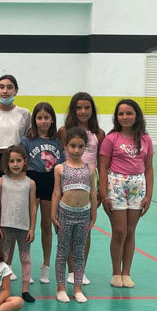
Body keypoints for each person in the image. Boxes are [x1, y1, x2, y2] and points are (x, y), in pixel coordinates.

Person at [99, 99, 154, 289]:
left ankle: (126, 273)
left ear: (136, 115)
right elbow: (102, 167)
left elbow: (149, 168)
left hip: (137, 186)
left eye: (129, 113)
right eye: (121, 114)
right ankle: (116, 272)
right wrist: (104, 194)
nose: (125, 117)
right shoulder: (111, 139)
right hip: (117, 184)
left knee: (130, 231)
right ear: (116, 117)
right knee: (119, 231)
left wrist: (148, 195)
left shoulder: (145, 139)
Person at [57, 92, 105, 285]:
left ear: (92, 110)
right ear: (73, 110)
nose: (83, 111)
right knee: (67, 231)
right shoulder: (64, 130)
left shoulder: (98, 133)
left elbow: (101, 163)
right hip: (67, 186)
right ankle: (70, 270)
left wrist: (101, 189)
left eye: (87, 107)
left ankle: (80, 269)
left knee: (85, 230)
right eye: (79, 108)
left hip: (88, 187)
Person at [52, 127, 97, 303]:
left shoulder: (90, 169)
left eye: (80, 146)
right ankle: (60, 288)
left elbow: (93, 193)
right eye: (72, 146)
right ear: (65, 146)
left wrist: (93, 215)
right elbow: (56, 193)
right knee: (62, 252)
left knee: (79, 252)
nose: (76, 150)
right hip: (65, 214)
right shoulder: (60, 168)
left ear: (86, 147)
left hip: (83, 214)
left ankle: (78, 288)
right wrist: (53, 215)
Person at [20, 102, 63, 284]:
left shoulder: (57, 140)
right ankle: (26, 266)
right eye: (39, 118)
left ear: (52, 120)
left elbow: (62, 164)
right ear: (34, 120)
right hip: (32, 180)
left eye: (46, 118)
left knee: (47, 224)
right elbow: (20, 163)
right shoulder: (27, 140)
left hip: (51, 181)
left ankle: (46, 265)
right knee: (28, 224)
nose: (43, 121)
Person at [0, 146, 37, 303]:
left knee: (25, 258)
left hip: (24, 227)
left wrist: (32, 228)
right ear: (7, 163)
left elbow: (33, 206)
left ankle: (25, 290)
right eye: (12, 161)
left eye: (19, 160)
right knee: (3, 259)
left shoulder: (30, 183)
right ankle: (4, 289)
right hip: (5, 226)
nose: (15, 164)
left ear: (25, 161)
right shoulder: (0, 181)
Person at [0, 75, 30, 200]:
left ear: (16, 91)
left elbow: (28, 140)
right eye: (1, 87)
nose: (5, 91)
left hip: (16, 160)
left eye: (9, 87)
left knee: (16, 201)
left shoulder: (25, 113)